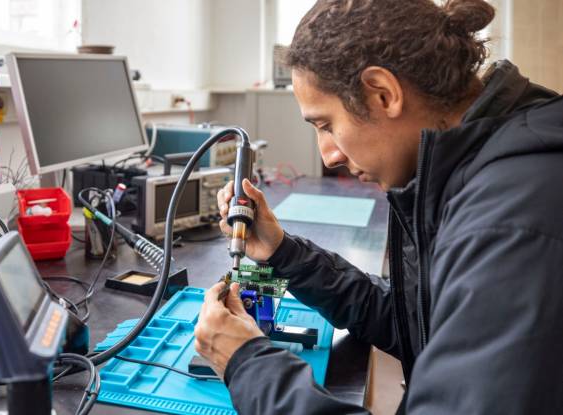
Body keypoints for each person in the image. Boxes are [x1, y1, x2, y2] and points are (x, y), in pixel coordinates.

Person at [193, 0, 563, 413]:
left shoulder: (512, 223)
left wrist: (246, 364)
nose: (329, 155)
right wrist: (283, 252)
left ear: (383, 93)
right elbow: (410, 321)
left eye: (327, 125)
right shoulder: (468, 172)